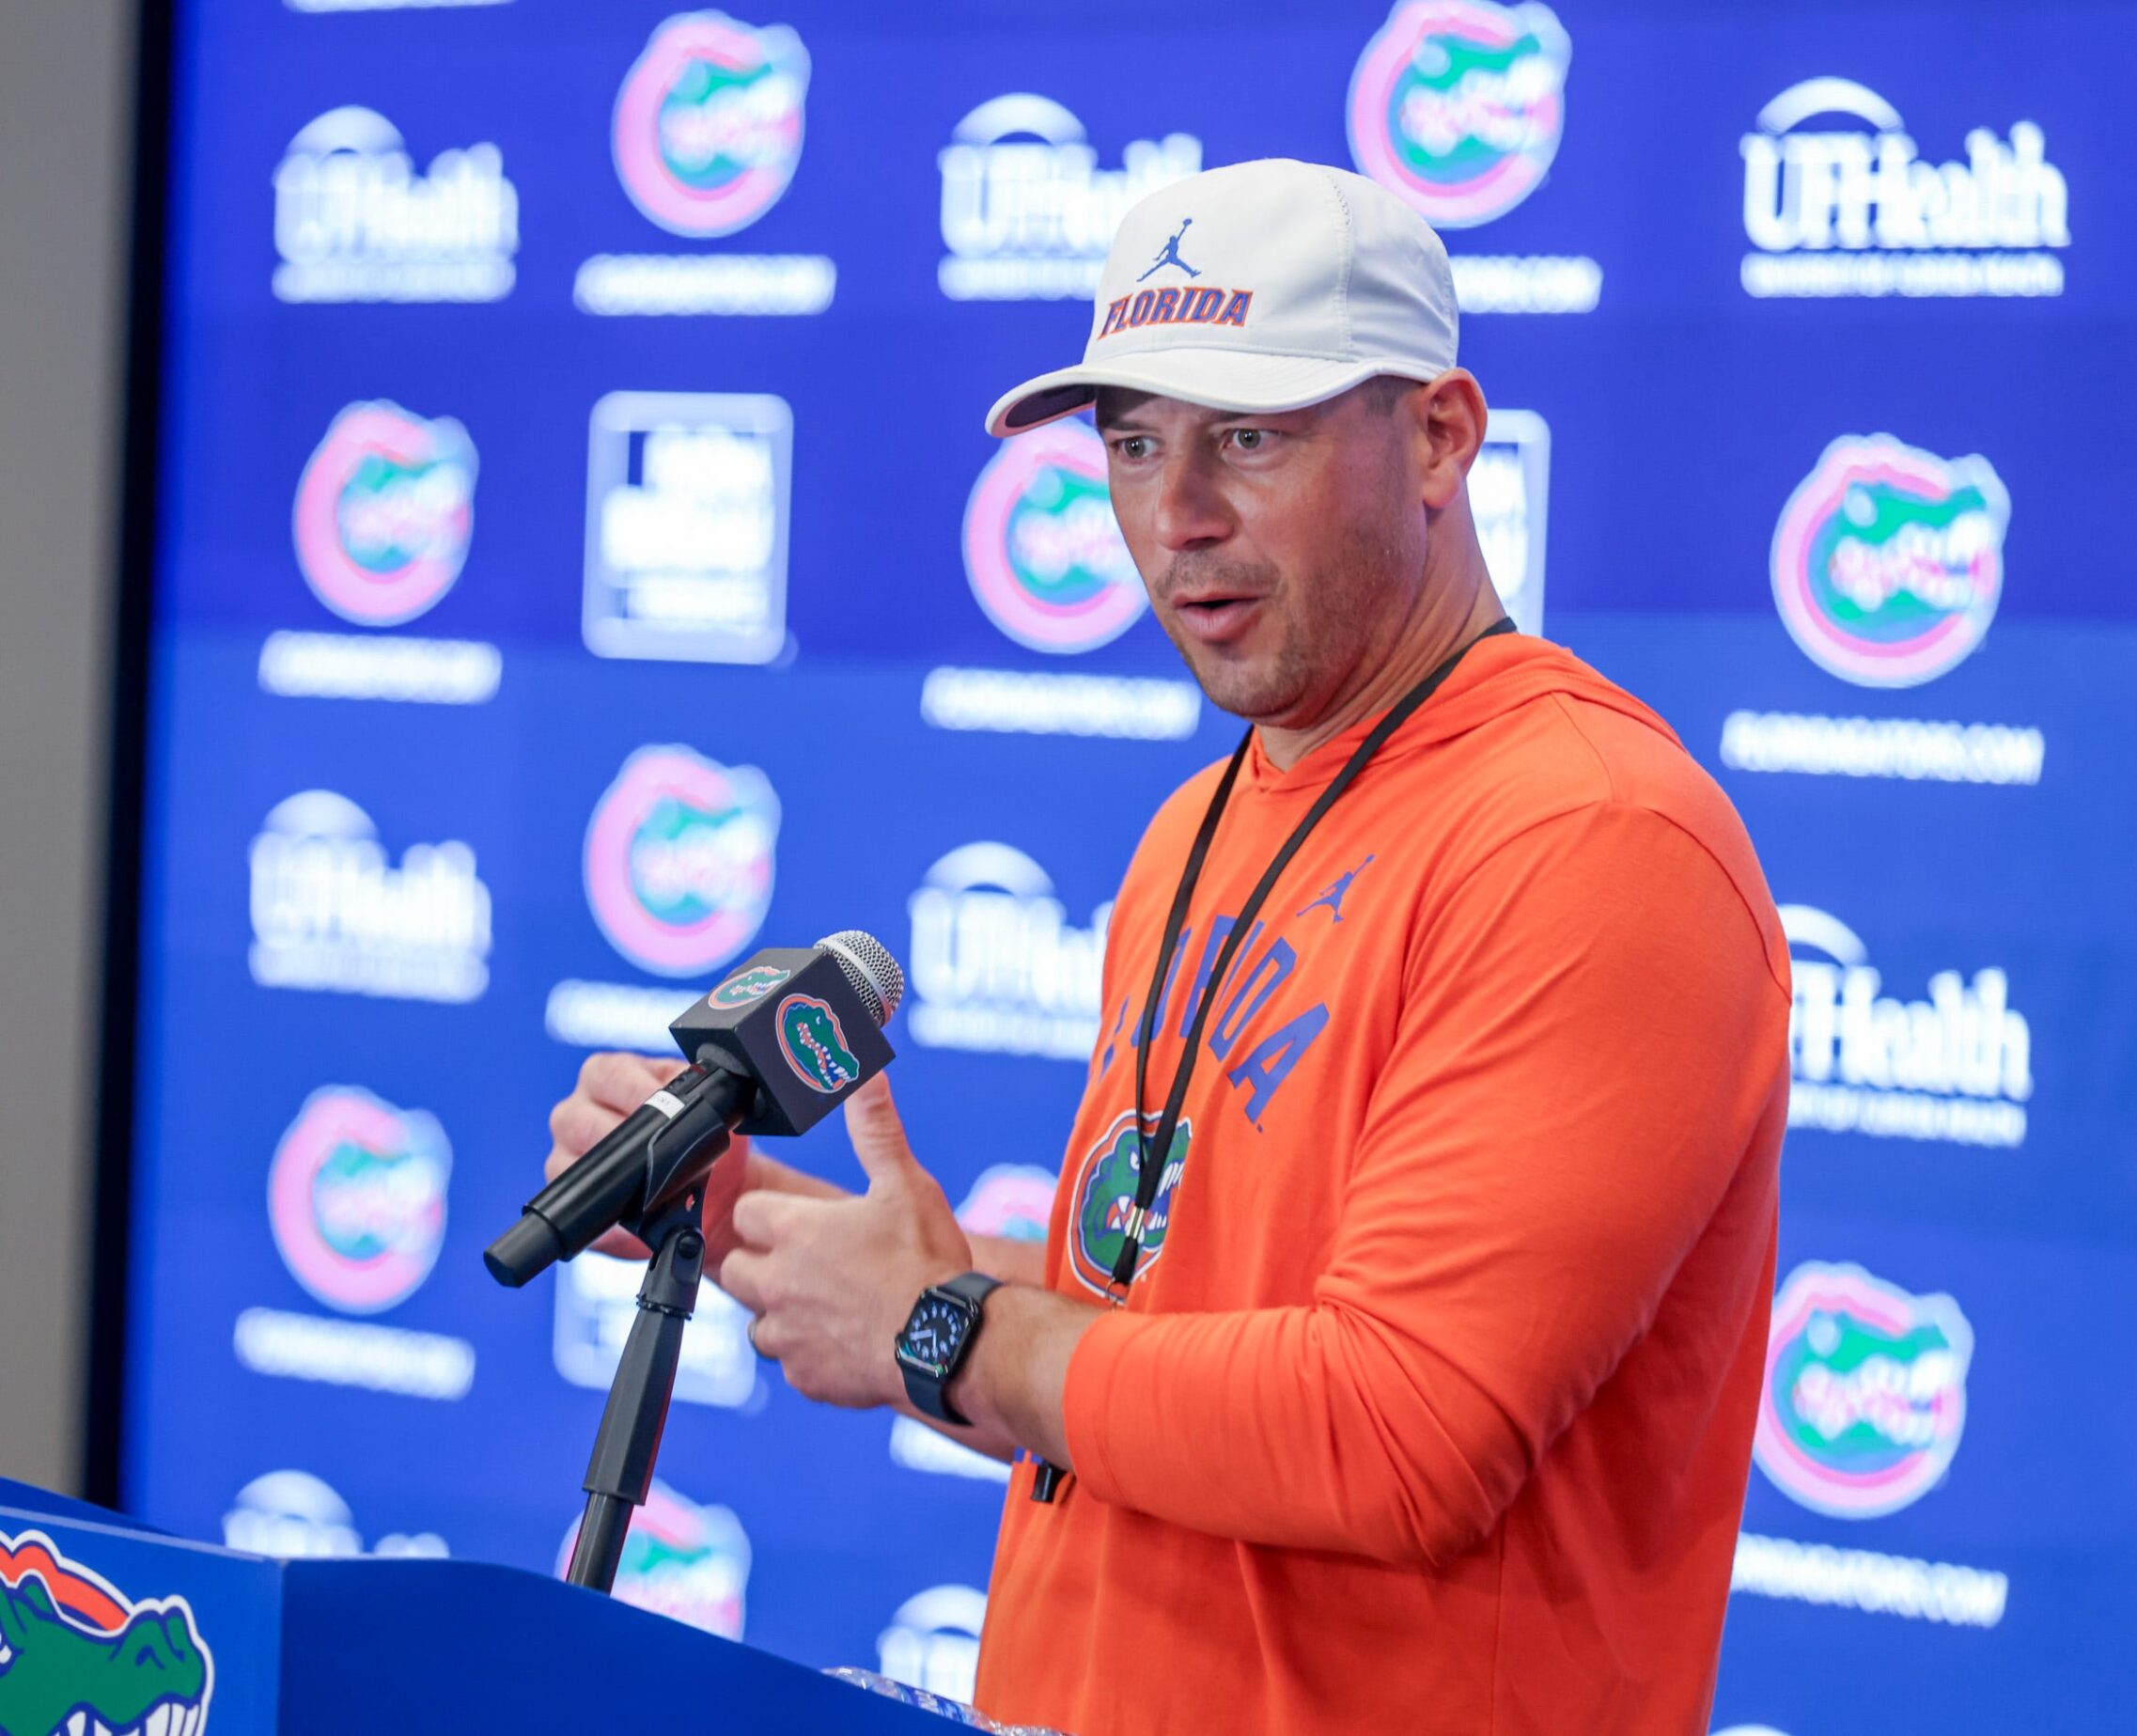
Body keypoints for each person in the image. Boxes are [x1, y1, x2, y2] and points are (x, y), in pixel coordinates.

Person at [545, 159, 1790, 1736]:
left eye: (1248, 438)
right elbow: (1166, 1334)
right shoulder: (1206, 819)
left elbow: (1395, 1429)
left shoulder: (1591, 837)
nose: (1177, 514)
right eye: (1133, 444)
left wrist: (940, 1333)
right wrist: (770, 1231)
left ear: (1439, 438)